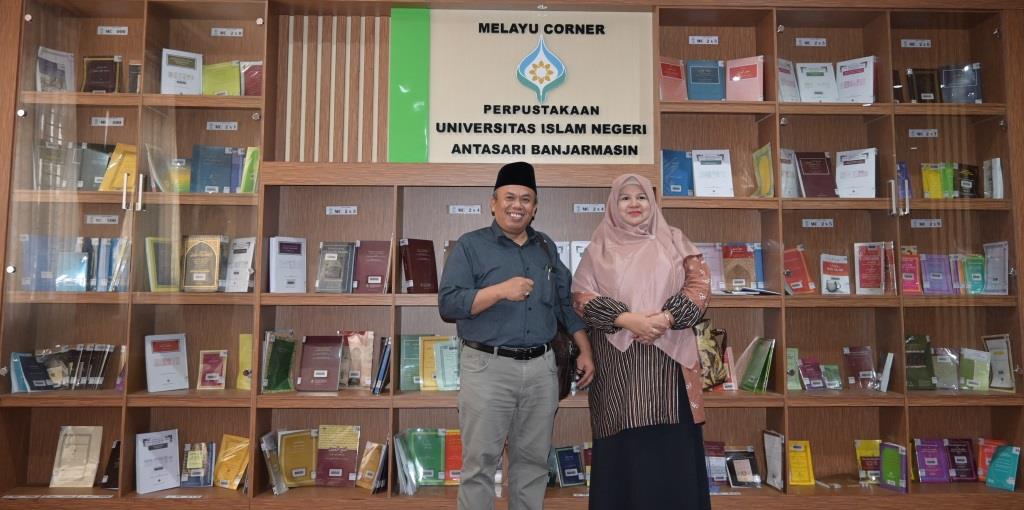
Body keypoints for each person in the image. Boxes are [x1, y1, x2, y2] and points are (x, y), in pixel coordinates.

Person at [439, 161, 595, 510]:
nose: (517, 205)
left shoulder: (546, 248)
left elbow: (564, 305)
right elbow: (448, 304)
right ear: (492, 203)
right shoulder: (470, 246)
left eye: (526, 199)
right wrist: (499, 291)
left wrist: (585, 350)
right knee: (480, 465)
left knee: (533, 465)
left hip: (541, 370)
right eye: (509, 197)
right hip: (487, 368)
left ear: (535, 207)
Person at [571, 173, 712, 510]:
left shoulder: (676, 241)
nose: (634, 204)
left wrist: (665, 319)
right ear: (613, 204)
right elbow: (580, 297)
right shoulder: (598, 247)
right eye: (625, 197)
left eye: (642, 197)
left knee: (671, 459)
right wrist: (626, 319)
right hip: (618, 372)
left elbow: (699, 287)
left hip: (670, 371)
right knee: (624, 458)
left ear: (652, 203)